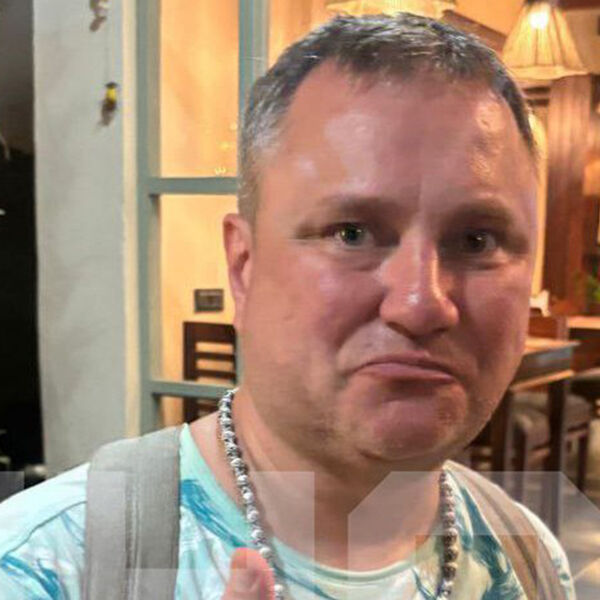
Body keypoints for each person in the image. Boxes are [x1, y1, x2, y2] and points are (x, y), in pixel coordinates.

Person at [0, 12, 575, 600]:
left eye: (476, 240)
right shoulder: (41, 566)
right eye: (352, 233)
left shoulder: (529, 558)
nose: (420, 303)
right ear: (243, 267)